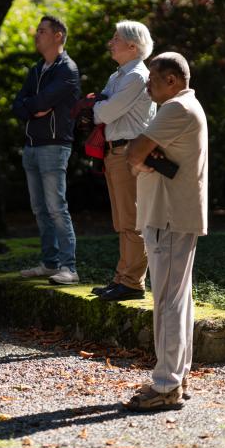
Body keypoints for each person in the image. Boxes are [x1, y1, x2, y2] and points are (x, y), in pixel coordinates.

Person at [123, 52, 208, 411]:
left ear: (172, 80)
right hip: (172, 216)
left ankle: (166, 386)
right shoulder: (184, 107)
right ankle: (177, 376)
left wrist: (139, 161)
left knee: (169, 303)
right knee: (177, 299)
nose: (147, 85)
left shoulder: (177, 109)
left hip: (169, 217)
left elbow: (135, 150)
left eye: (153, 79)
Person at [90, 21, 157, 302]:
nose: (110, 42)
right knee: (122, 220)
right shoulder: (119, 75)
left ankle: (132, 282)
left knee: (132, 219)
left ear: (133, 45)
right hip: (114, 151)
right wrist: (99, 106)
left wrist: (95, 106)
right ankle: (122, 278)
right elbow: (104, 108)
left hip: (128, 151)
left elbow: (102, 112)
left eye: (116, 38)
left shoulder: (136, 77)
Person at [12, 15, 80, 284]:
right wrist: (33, 109)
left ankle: (69, 268)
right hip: (31, 145)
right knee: (40, 208)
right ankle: (50, 263)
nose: (36, 35)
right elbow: (19, 105)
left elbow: (41, 100)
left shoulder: (67, 70)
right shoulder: (36, 69)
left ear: (58, 36)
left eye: (42, 31)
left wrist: (32, 105)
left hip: (54, 145)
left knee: (56, 207)